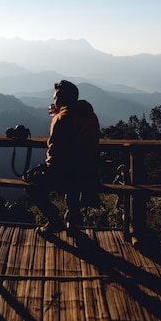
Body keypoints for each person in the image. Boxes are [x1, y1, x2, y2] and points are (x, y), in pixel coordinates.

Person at [23, 80, 101, 234]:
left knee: (29, 180)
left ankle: (54, 220)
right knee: (72, 178)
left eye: (56, 98)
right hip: (90, 173)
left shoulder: (62, 119)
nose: (54, 101)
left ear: (63, 99)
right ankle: (72, 221)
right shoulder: (89, 115)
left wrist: (46, 167)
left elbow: (56, 152)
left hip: (69, 174)